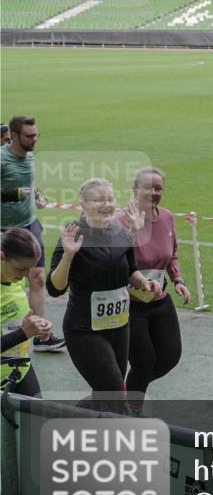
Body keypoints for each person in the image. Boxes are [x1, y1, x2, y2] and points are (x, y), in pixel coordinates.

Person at [46, 178, 160, 411]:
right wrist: (68, 256)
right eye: (99, 200)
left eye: (110, 199)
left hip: (118, 327)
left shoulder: (121, 233)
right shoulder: (72, 236)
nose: (107, 204)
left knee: (106, 393)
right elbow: (55, 288)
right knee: (115, 394)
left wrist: (145, 282)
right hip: (84, 330)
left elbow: (130, 270)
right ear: (84, 204)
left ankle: (73, 424)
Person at [111, 168, 190, 412]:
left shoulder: (166, 217)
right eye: (148, 187)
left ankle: (125, 392)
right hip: (129, 304)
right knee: (144, 361)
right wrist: (133, 232)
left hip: (159, 300)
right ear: (135, 190)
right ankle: (131, 409)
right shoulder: (119, 221)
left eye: (158, 188)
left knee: (169, 356)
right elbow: (112, 259)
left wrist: (178, 280)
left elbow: (172, 254)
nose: (154, 193)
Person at [0, 115, 63, 352]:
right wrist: (15, 194)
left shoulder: (29, 155)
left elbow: (29, 183)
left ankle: (41, 336)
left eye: (36, 135)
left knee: (36, 277)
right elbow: (16, 189)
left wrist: (38, 195)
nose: (34, 139)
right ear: (14, 136)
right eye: (29, 136)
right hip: (4, 230)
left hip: (29, 224)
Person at [1, 227, 54, 396]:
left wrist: (39, 325)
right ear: (2, 257)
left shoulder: (12, 277)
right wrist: (23, 333)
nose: (26, 275)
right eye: (21, 269)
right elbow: (21, 332)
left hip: (20, 369)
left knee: (38, 420)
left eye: (30, 269)